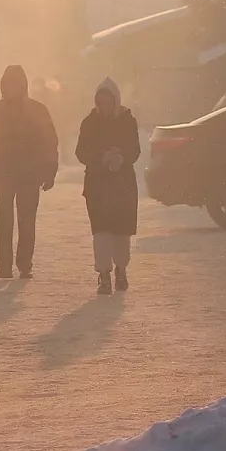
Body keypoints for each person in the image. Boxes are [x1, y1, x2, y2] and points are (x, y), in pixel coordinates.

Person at [0, 65, 59, 279]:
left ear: (23, 86)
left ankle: (24, 263)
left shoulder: (37, 110)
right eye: (8, 84)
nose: (11, 88)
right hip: (3, 173)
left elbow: (50, 142)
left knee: (26, 219)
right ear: (3, 86)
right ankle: (4, 265)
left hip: (30, 174)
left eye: (15, 84)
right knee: (4, 220)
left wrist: (50, 170)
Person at [76, 77, 141, 295]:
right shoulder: (89, 123)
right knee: (101, 232)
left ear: (115, 101)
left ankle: (121, 269)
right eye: (100, 102)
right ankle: (104, 273)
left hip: (123, 185)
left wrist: (121, 158)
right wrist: (101, 158)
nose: (103, 107)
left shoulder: (127, 121)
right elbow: (81, 152)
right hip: (97, 186)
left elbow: (135, 149)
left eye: (107, 102)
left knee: (122, 231)